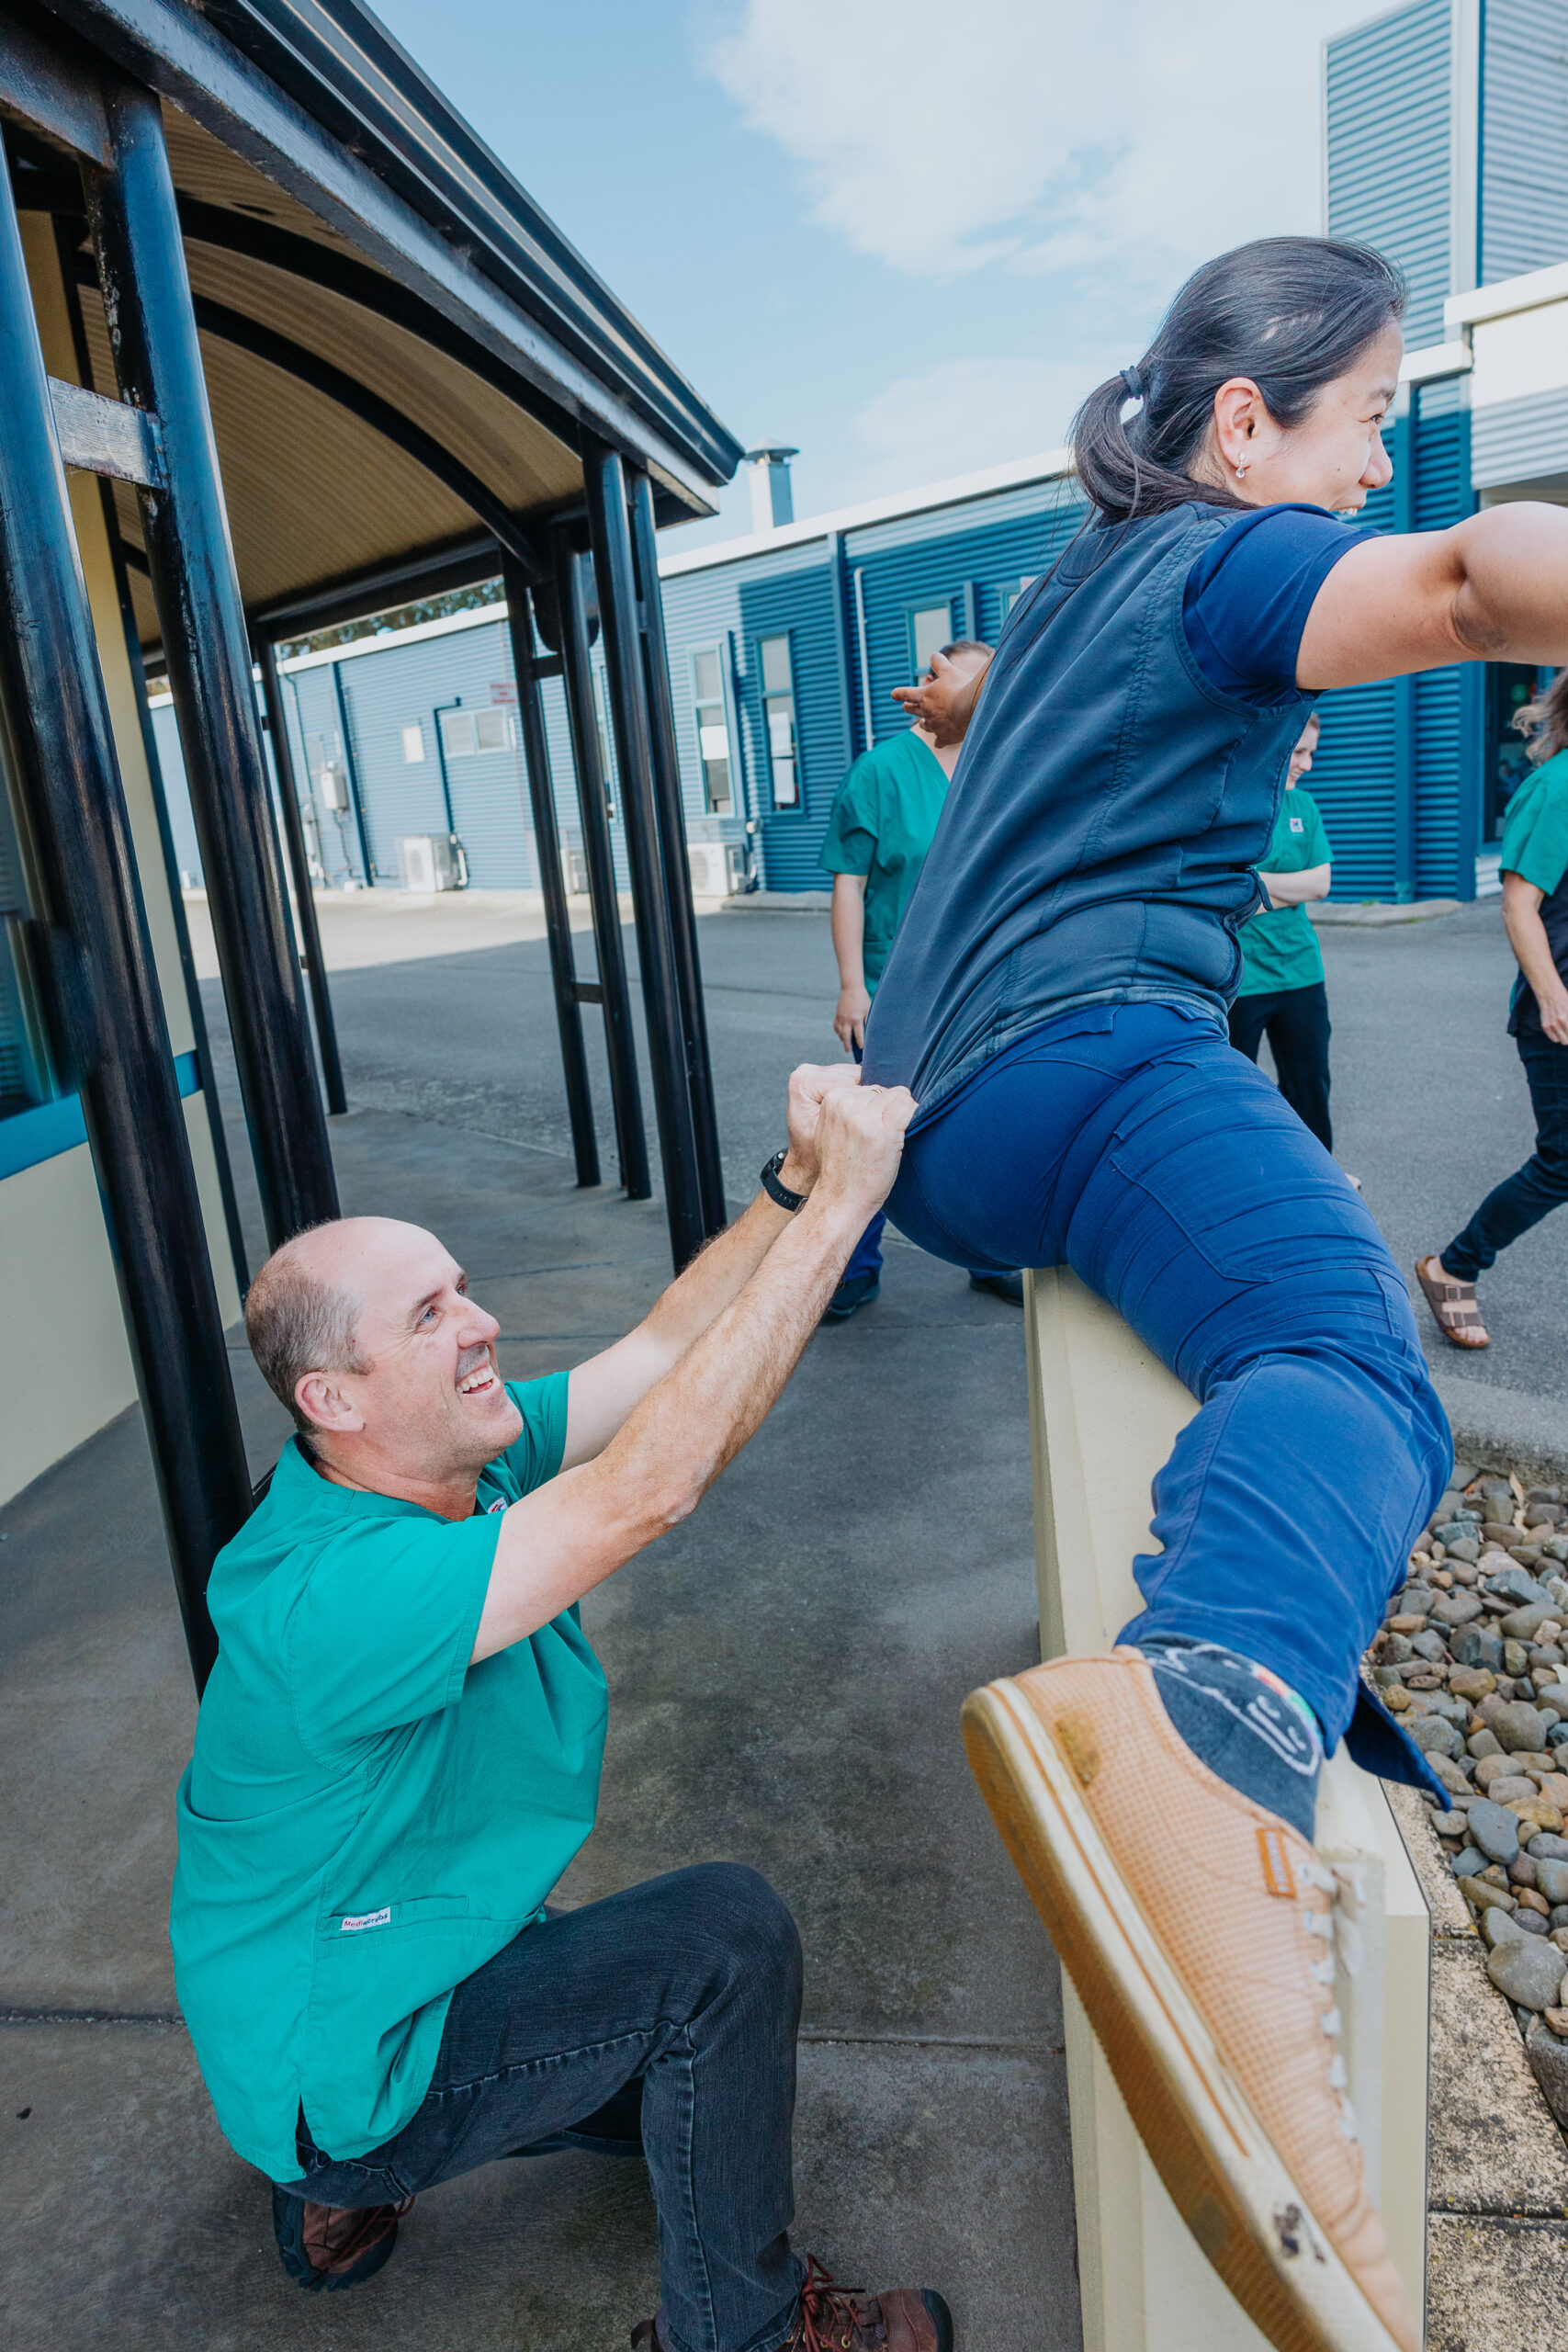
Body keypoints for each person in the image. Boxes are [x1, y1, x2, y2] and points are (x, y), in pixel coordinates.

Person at [852, 231, 1568, 2352]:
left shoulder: (1073, 579)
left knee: (1293, 1279)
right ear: (1243, 421)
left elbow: (976, 706)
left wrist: (954, 703)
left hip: (933, 1123)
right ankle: (1206, 1725)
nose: (1371, 469)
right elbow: (1468, 590)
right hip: (1083, 1055)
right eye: (1362, 421)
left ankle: (1261, 1696)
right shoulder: (1233, 555)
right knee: (1350, 1352)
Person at [169, 1064, 957, 2352]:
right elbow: (648, 1488)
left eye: (461, 1287)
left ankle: (330, 2176)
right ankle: (741, 2333)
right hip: (348, 2051)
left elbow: (654, 1360)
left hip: (347, 1973)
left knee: (665, 2064)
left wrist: (794, 1184)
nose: (481, 1322)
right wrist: (844, 1213)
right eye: (430, 1314)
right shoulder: (337, 1596)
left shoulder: (426, 1467)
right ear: (335, 1399)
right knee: (721, 1947)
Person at [820, 639, 1021, 1317]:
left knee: (982, 1128)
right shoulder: (879, 772)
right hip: (894, 986)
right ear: (934, 685)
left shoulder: (995, 765)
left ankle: (987, 1258)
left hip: (978, 987)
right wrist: (852, 985)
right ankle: (852, 1269)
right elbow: (848, 886)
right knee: (874, 1133)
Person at [1417, 668, 1568, 1348]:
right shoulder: (1556, 788)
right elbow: (1518, 904)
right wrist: (1552, 996)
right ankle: (1454, 1266)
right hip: (1558, 1011)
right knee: (1561, 1162)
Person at [1227, 710, 1338, 1152]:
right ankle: (1244, 1178)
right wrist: (1285, 887)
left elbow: (1321, 884)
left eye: (1313, 754)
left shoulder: (1304, 806)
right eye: (1299, 752)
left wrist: (1256, 882)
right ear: (1274, 744)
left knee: (1309, 1087)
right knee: (1236, 1092)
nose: (1307, 764)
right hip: (1244, 977)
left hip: (1301, 971)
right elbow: (1225, 893)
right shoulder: (1237, 805)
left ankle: (1319, 1175)